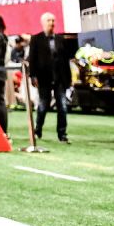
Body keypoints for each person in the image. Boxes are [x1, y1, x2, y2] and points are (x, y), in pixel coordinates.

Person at [28, 13, 74, 144]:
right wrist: (32, 76)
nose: (51, 22)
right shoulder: (36, 39)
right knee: (43, 106)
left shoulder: (61, 39)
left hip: (60, 79)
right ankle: (38, 130)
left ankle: (62, 134)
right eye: (49, 20)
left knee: (63, 107)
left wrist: (69, 80)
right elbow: (32, 59)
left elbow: (66, 61)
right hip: (44, 79)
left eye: (53, 20)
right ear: (43, 23)